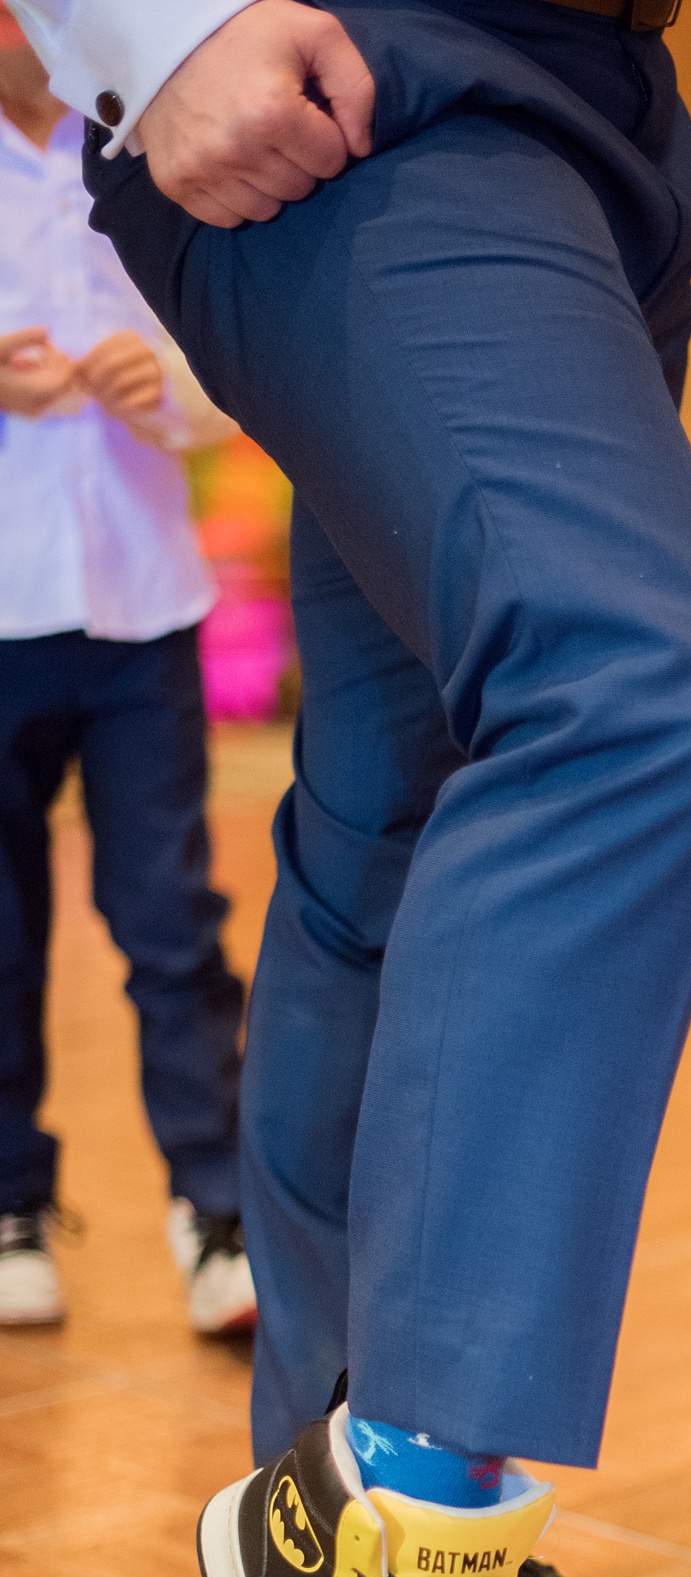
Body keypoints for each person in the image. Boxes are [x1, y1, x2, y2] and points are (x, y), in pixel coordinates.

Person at [14, 0, 691, 1577]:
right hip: (353, 67)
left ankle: (320, 1491)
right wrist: (142, 18)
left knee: (411, 802)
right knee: (642, 699)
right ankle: (408, 1512)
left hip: (608, 103)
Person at [0, 6, 257, 1339]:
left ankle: (219, 1209)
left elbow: (237, 377)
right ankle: (9, 1207)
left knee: (171, 918)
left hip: (143, 611)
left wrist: (154, 381)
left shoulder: (150, 143)